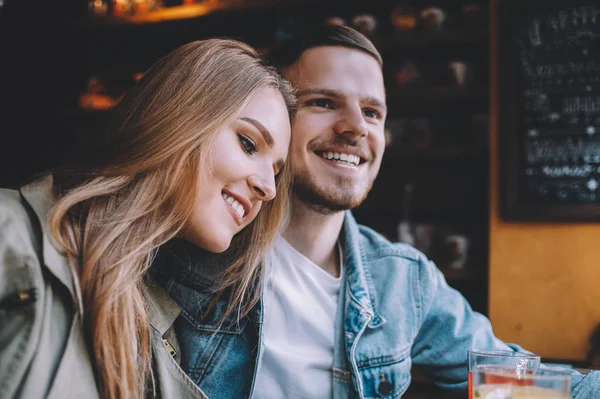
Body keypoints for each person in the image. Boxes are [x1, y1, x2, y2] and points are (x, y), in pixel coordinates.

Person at [153, 25, 600, 399]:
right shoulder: (192, 242)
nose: (355, 127)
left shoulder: (404, 282)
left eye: (372, 112)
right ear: (276, 118)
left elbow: (514, 377)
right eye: (323, 103)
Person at [0, 38, 294, 399]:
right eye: (249, 144)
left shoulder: (162, 333)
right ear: (179, 117)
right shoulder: (9, 233)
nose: (269, 189)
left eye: (276, 173)